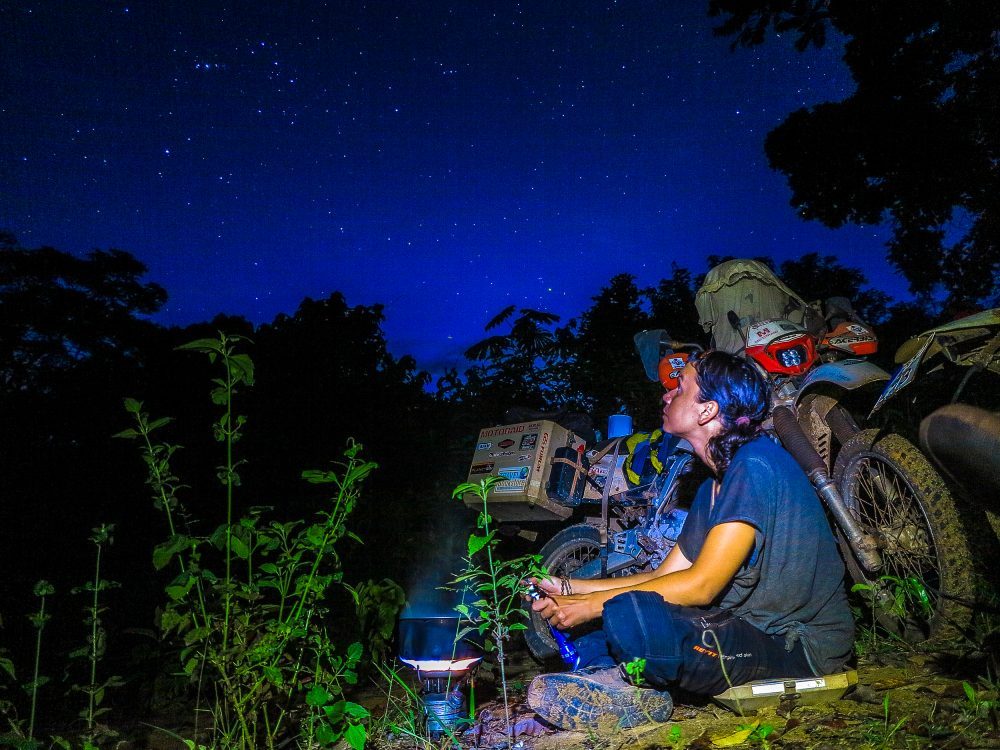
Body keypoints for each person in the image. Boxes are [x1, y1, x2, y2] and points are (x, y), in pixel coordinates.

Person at [526, 350, 854, 730]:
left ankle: (624, 684)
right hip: (747, 628)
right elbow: (664, 575)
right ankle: (615, 684)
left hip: (796, 647)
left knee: (630, 616)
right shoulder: (712, 488)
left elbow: (700, 586)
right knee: (609, 620)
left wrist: (593, 605)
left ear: (707, 411)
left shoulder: (753, 465)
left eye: (680, 389)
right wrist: (572, 588)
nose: (666, 395)